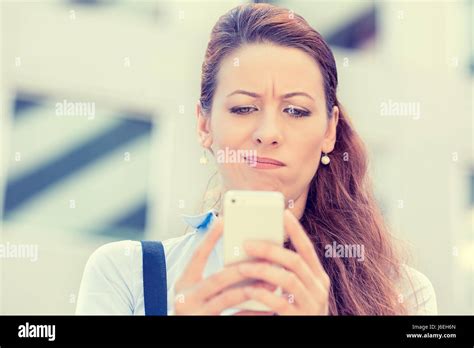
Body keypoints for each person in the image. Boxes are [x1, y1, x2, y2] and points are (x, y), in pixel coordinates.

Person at [76, 3, 437, 315]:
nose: (268, 132)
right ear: (204, 125)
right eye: (244, 107)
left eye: (295, 110)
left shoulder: (402, 293)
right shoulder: (125, 273)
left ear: (329, 131)